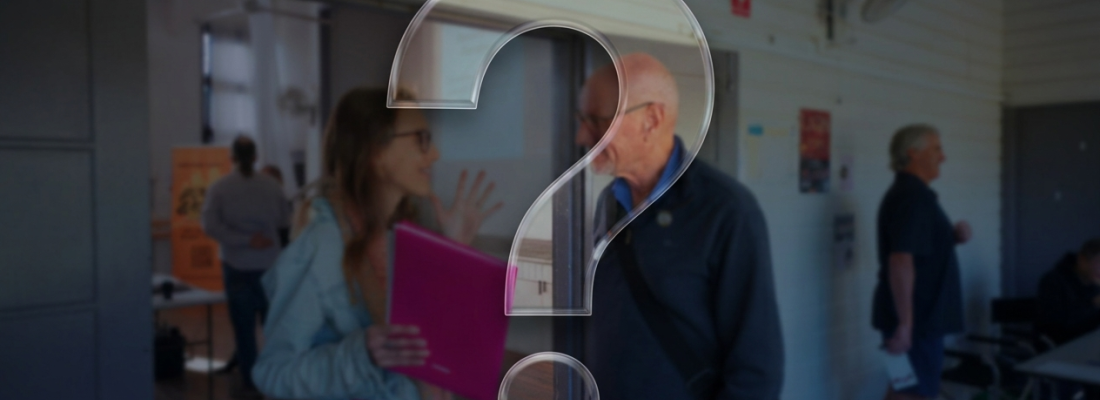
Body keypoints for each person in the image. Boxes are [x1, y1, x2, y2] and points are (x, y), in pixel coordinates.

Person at [251, 87, 502, 400]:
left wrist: (453, 251)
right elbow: (273, 372)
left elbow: (429, 347)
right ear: (375, 151)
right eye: (421, 139)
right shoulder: (319, 248)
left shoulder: (405, 237)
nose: (434, 154)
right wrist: (362, 355)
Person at [577, 53, 784, 400]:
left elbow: (756, 371)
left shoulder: (727, 211)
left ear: (652, 119)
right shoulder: (609, 203)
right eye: (582, 119)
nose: (582, 135)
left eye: (597, 121)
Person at [871, 124, 972, 400]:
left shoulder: (913, 194)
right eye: (937, 149)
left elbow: (917, 250)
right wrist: (905, 325)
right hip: (916, 321)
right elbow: (900, 260)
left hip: (916, 319)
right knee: (914, 394)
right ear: (913, 153)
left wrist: (952, 237)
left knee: (904, 389)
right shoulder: (912, 197)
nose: (943, 157)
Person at [201, 136, 292, 397]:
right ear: (255, 157)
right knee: (274, 327)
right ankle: (276, 378)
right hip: (270, 267)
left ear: (231, 157)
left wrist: (244, 240)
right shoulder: (272, 186)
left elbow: (209, 226)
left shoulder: (219, 188)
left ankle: (251, 383)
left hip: (236, 265)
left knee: (243, 330)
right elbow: (284, 220)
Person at [1038, 238, 1100, 344]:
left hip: (1088, 343)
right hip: (1059, 346)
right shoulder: (1053, 282)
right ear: (1082, 260)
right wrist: (1094, 304)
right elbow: (1058, 326)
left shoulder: (1093, 282)